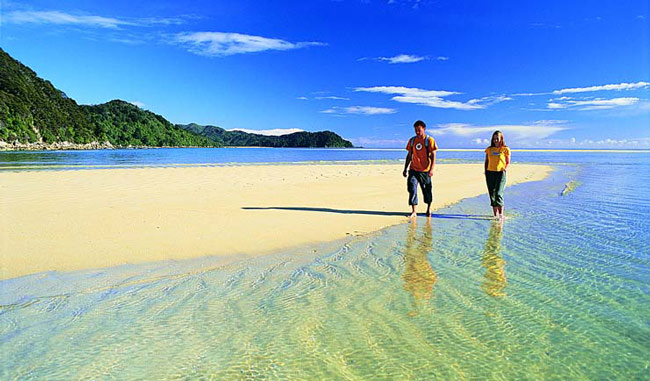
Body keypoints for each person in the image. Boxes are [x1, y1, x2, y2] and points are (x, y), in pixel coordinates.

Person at [403, 120, 438, 218]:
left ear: (424, 129)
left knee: (427, 190)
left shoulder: (429, 140)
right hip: (413, 169)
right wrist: (405, 168)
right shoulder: (412, 140)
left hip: (425, 170)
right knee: (412, 188)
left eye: (419, 130)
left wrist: (432, 169)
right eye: (415, 130)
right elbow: (409, 155)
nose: (417, 132)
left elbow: (433, 155)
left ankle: (428, 208)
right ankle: (414, 211)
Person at [484, 130, 510, 219]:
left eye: (497, 139)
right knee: (492, 194)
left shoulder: (505, 149)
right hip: (490, 173)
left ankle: (501, 215)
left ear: (501, 139)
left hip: (500, 173)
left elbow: (507, 161)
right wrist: (486, 172)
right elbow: (486, 161)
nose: (495, 140)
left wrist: (504, 169)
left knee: (498, 193)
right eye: (494, 139)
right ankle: (495, 215)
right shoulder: (489, 149)